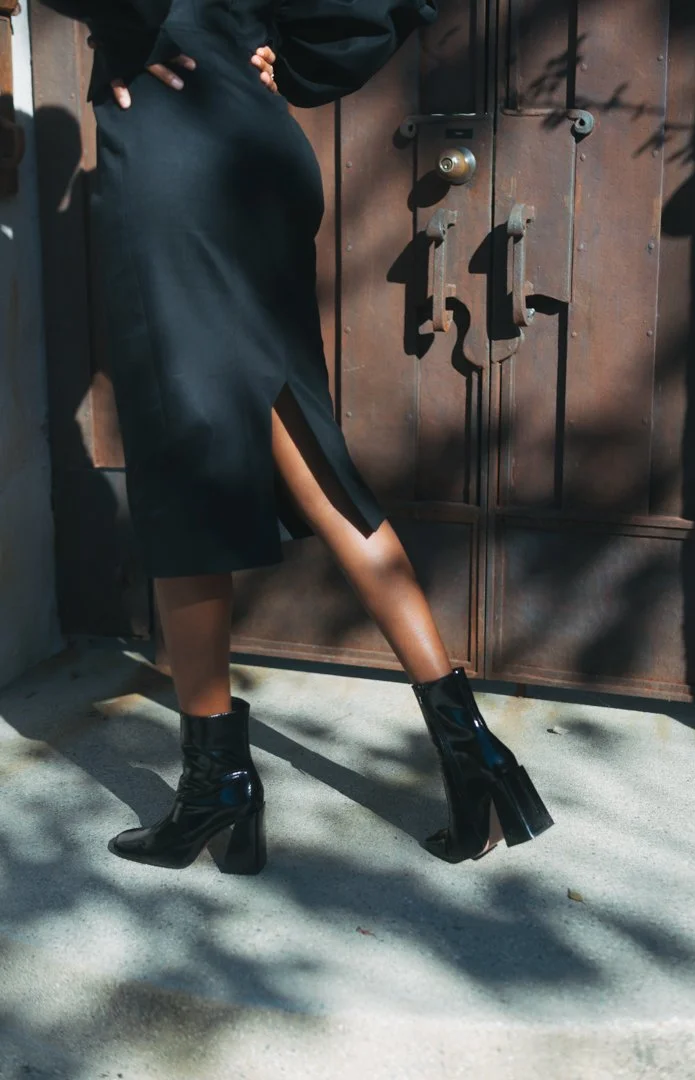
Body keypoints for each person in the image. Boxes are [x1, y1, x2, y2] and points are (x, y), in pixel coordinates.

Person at [39, 0, 554, 874]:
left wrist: (133, 38)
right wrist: (265, 49)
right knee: (301, 444)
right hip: (256, 138)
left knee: (183, 452)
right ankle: (478, 759)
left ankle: (215, 786)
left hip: (174, 146)